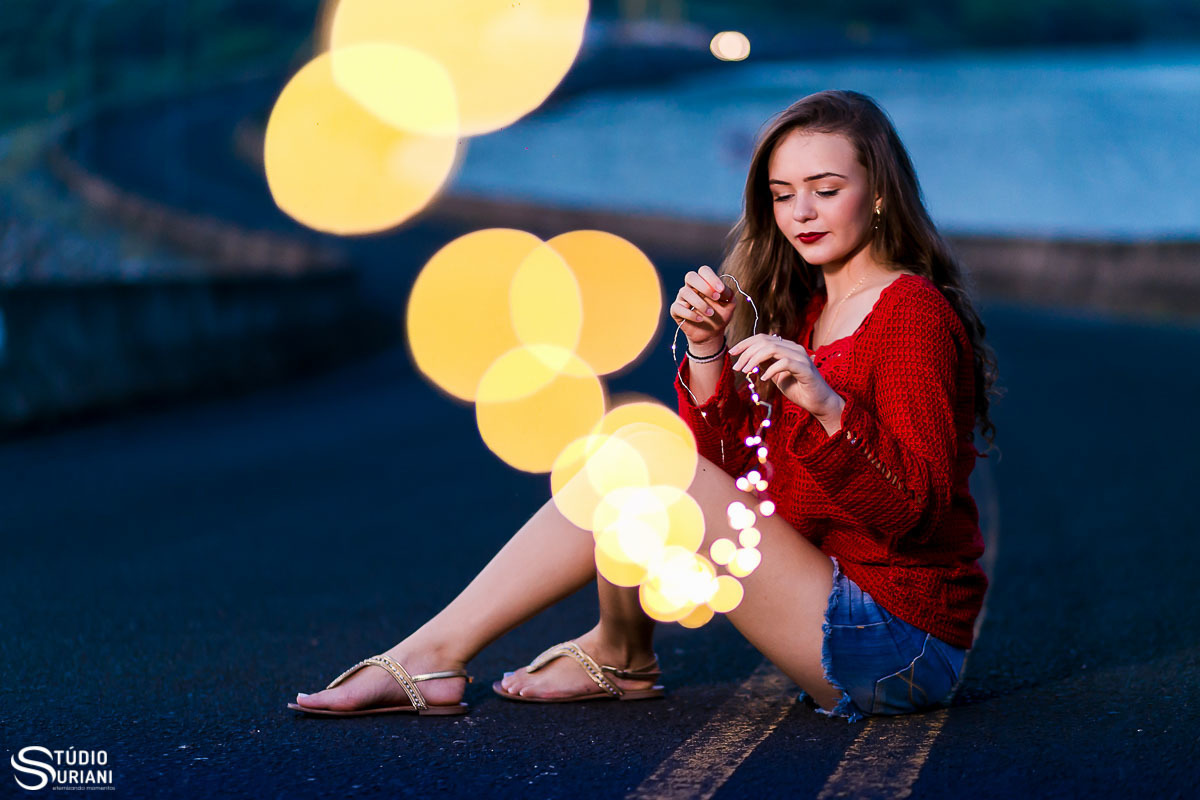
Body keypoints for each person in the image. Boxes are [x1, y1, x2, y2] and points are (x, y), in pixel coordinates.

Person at [288, 89, 1000, 723]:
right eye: (783, 195)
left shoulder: (910, 314)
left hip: (899, 641)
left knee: (648, 462)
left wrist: (826, 408)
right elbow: (726, 478)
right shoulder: (806, 312)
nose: (801, 213)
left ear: (878, 193)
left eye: (825, 188)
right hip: (835, 605)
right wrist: (705, 350)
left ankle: (450, 653)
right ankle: (602, 648)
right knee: (624, 450)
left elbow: (919, 510)